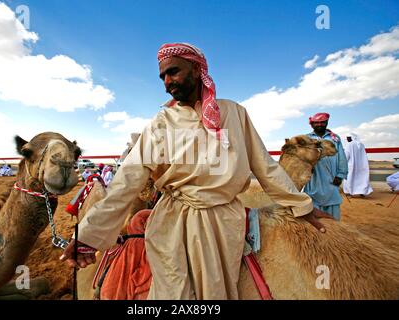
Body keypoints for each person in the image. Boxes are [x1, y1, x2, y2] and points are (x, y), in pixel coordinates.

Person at [61, 42, 331, 300]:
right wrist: (87, 236)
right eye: (162, 76)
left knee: (216, 291)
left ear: (196, 69)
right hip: (173, 221)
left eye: (173, 71)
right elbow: (126, 182)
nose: (167, 82)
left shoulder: (234, 114)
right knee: (172, 293)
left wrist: (301, 205)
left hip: (224, 219)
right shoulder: (161, 124)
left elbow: (264, 166)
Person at [304, 113, 348, 220]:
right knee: (312, 206)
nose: (320, 124)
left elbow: (341, 157)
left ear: (327, 122)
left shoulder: (335, 138)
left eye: (322, 122)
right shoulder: (306, 139)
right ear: (312, 124)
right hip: (314, 178)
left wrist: (340, 175)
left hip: (331, 178)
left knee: (332, 209)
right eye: (316, 122)